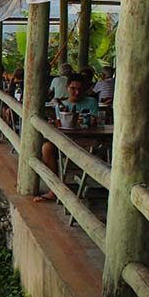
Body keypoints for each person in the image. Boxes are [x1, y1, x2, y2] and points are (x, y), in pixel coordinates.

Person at [35, 73, 98, 202]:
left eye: (80, 89)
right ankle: (55, 188)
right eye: (73, 88)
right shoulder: (61, 105)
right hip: (66, 142)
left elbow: (94, 122)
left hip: (85, 142)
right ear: (67, 87)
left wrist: (87, 121)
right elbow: (60, 125)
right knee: (46, 148)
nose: (76, 92)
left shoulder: (91, 102)